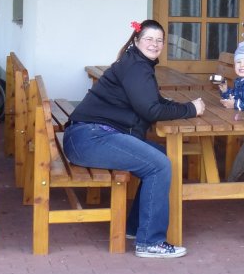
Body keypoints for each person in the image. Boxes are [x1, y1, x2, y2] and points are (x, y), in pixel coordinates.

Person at [62, 19, 205, 259]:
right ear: (137, 40)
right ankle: (150, 242)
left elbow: (151, 100)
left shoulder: (136, 63)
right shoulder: (136, 67)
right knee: (159, 165)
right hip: (90, 138)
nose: (154, 44)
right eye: (149, 39)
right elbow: (150, 110)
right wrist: (190, 109)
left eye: (159, 40)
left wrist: (181, 106)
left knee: (162, 157)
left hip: (90, 135)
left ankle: (135, 227)